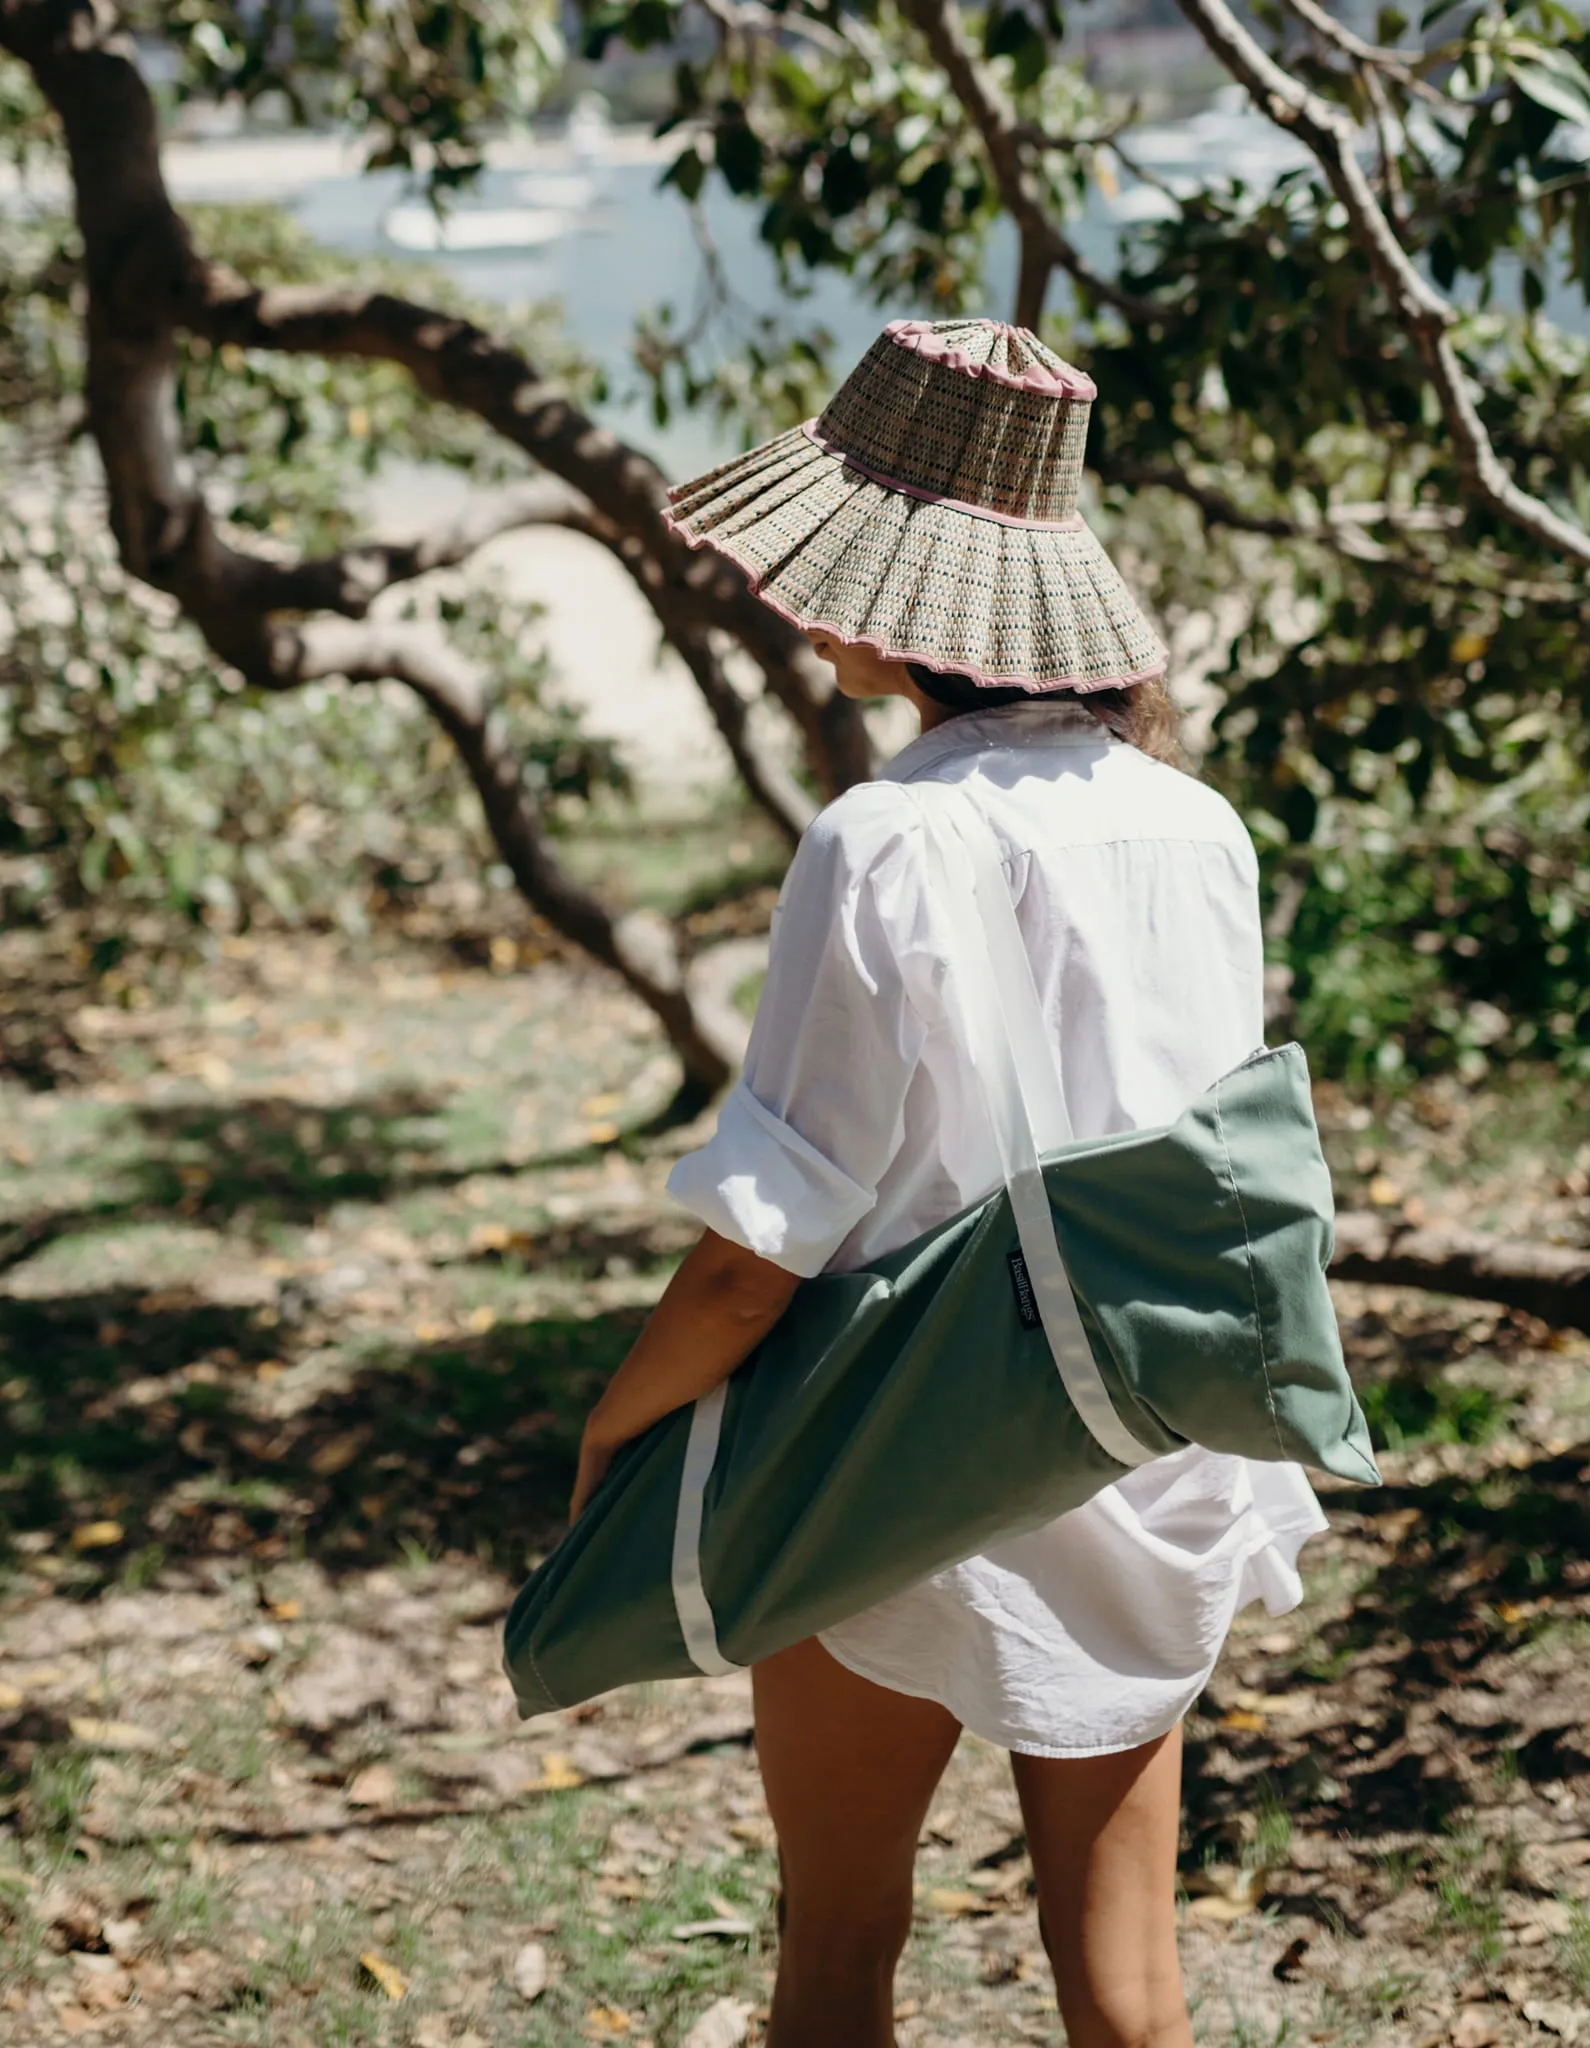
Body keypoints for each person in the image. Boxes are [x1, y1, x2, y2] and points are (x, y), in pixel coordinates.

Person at [566, 319, 1325, 2048]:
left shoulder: (884, 838)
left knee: (836, 1953)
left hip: (892, 1450)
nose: (791, 590)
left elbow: (766, 1248)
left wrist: (623, 1430)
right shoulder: (1196, 825)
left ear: (904, 593)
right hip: (1134, 1439)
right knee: (1131, 1991)